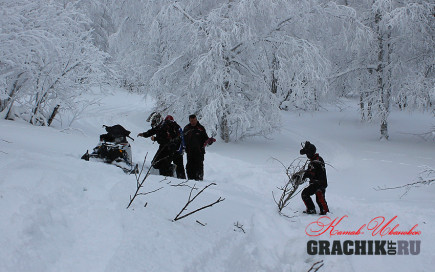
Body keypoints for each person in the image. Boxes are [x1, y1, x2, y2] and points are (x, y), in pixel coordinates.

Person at [297, 141, 329, 215]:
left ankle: (325, 213)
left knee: (319, 198)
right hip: (316, 183)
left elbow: (311, 173)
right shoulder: (315, 159)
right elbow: (310, 172)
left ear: (310, 153)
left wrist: (304, 175)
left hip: (319, 183)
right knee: (306, 194)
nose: (306, 155)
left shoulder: (316, 161)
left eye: (307, 153)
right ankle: (311, 209)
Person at [183, 114, 210, 180]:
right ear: (189, 121)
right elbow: (183, 139)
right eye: (192, 121)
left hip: (199, 151)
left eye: (195, 120)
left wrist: (209, 141)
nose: (193, 122)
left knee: (199, 166)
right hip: (189, 151)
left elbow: (206, 138)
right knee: (189, 166)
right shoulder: (186, 128)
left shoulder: (201, 128)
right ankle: (190, 180)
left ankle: (199, 180)